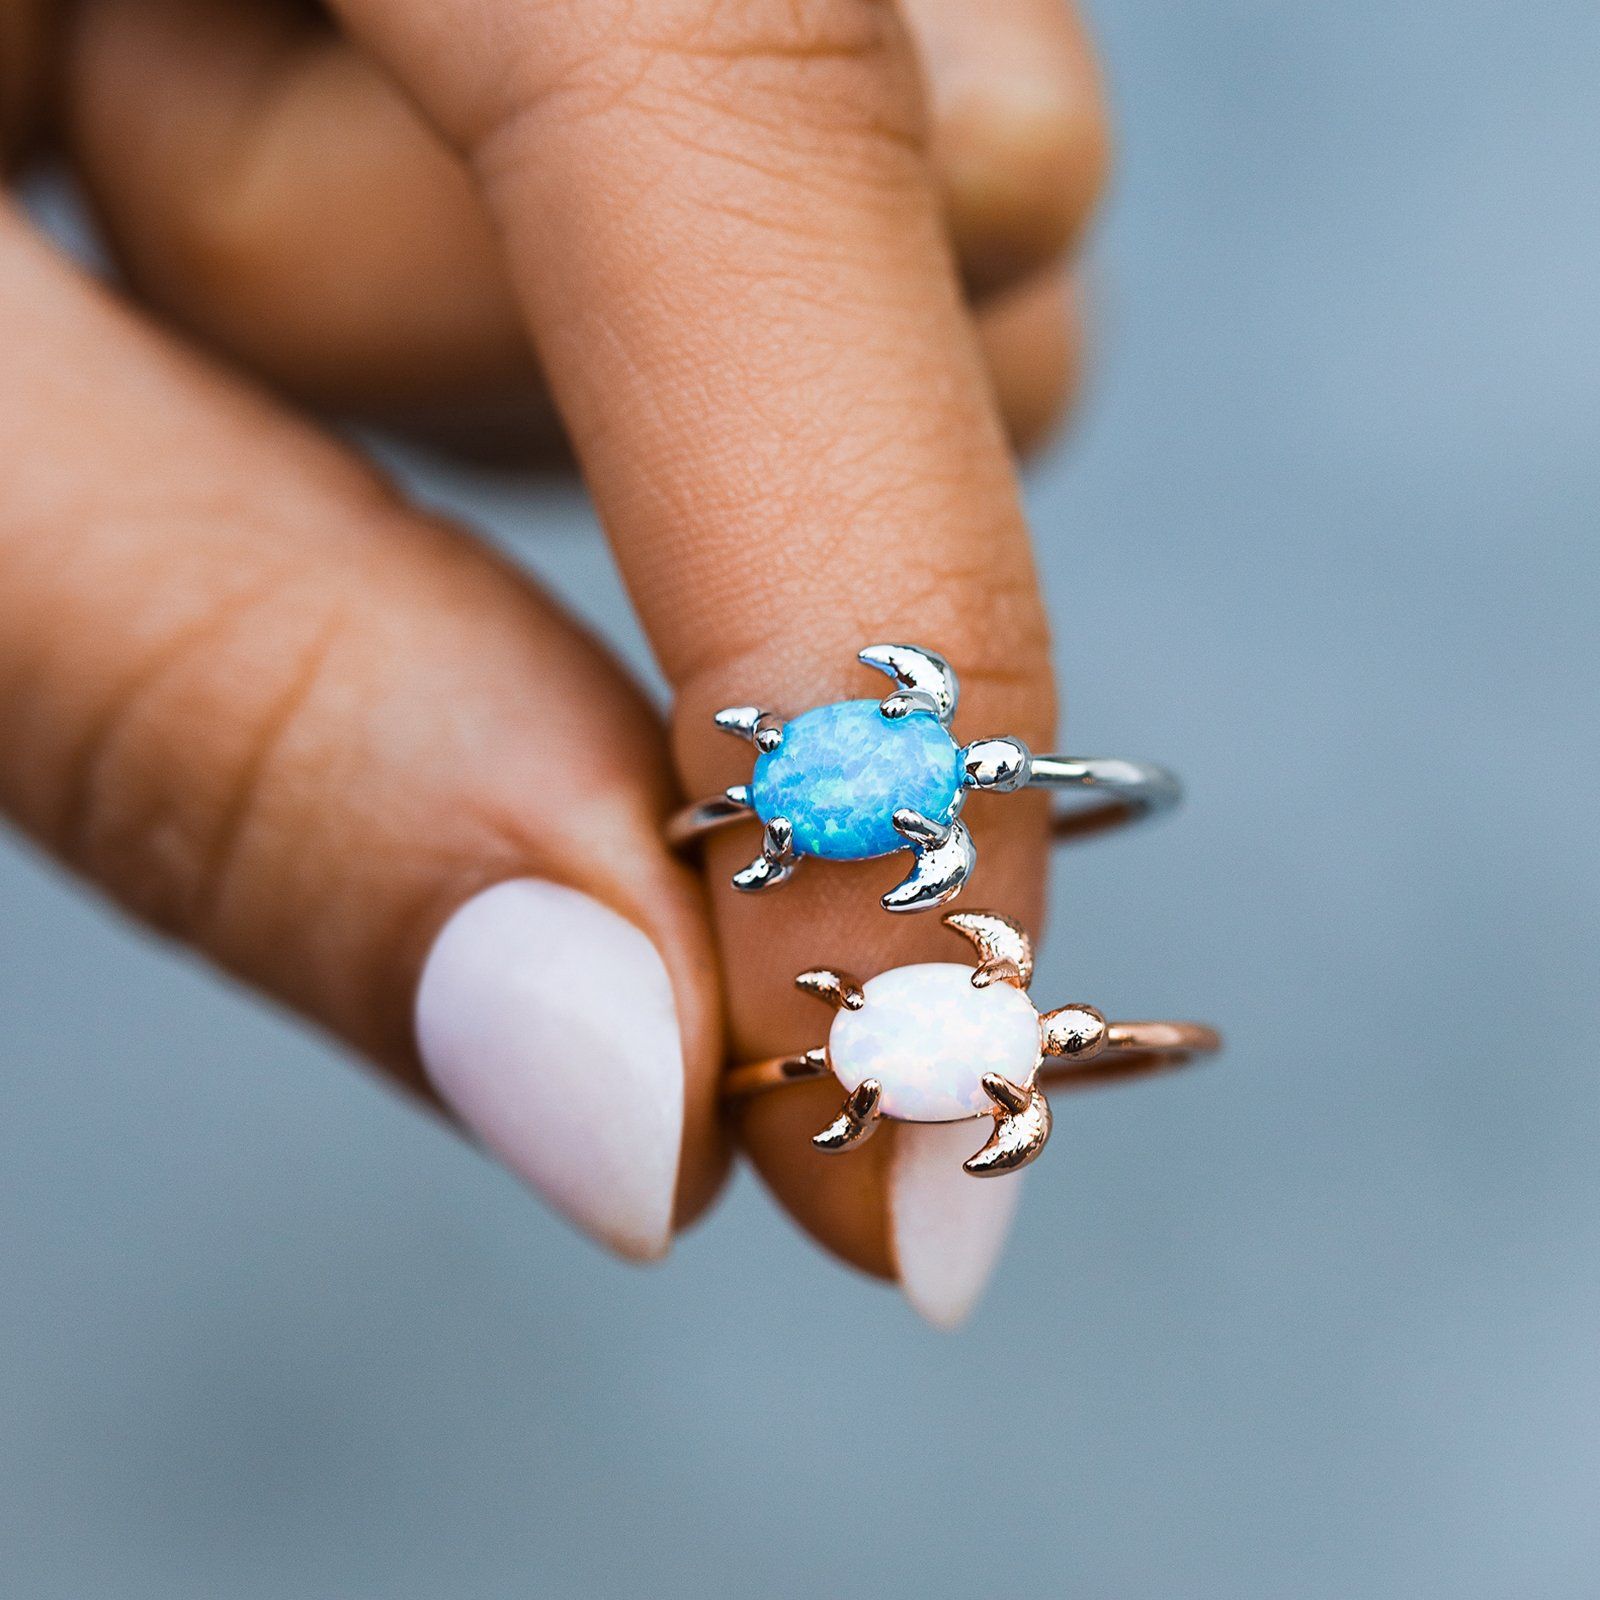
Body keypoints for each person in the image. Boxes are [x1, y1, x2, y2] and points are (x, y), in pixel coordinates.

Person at [0, 0, 1110, 1326]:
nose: (1067, 1033)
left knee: (989, 174)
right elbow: (948, 864)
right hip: (820, 797)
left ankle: (792, 909)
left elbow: (946, 859)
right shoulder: (947, 825)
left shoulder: (941, 815)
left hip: (816, 797)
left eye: (1069, 1041)